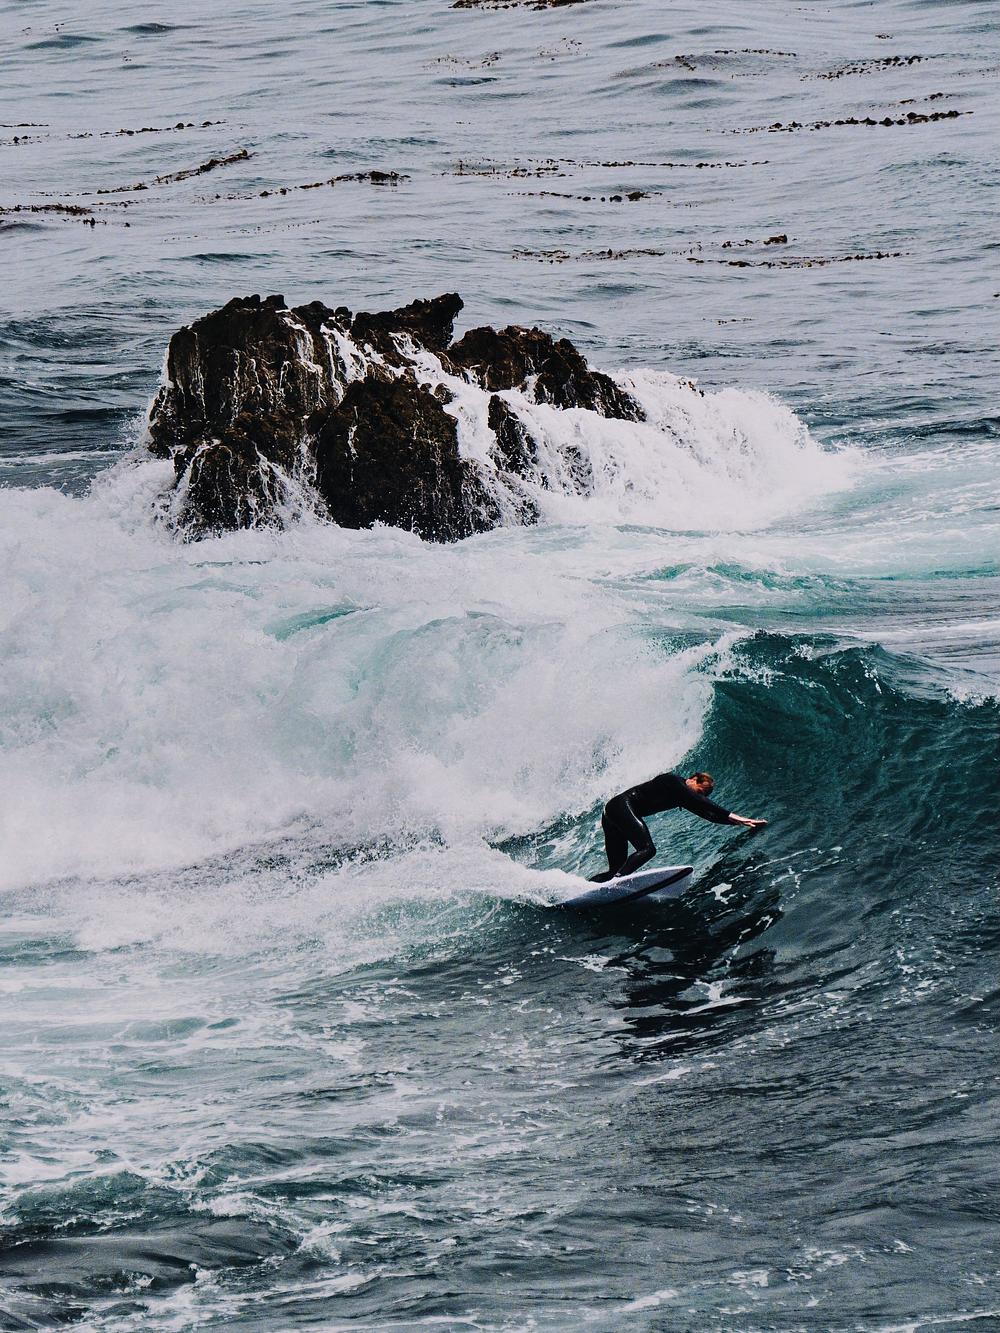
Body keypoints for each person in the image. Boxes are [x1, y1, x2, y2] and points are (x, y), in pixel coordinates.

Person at [589, 771, 767, 882]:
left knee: (615, 869)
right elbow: (697, 800)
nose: (699, 796)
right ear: (693, 779)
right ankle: (618, 882)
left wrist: (740, 822)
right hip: (620, 806)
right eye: (700, 791)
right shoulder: (672, 780)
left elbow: (710, 815)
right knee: (647, 849)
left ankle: (588, 888)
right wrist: (732, 814)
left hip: (612, 815)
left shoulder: (683, 797)